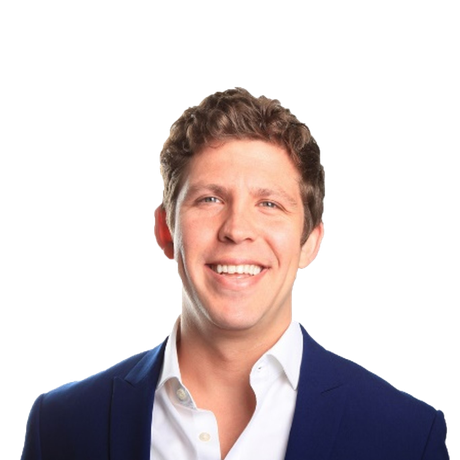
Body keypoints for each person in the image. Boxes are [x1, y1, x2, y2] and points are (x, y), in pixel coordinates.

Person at [20, 87, 449, 460]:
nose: (237, 229)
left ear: (311, 241)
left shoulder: (407, 436)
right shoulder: (61, 426)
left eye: (269, 204)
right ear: (166, 231)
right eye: (210, 199)